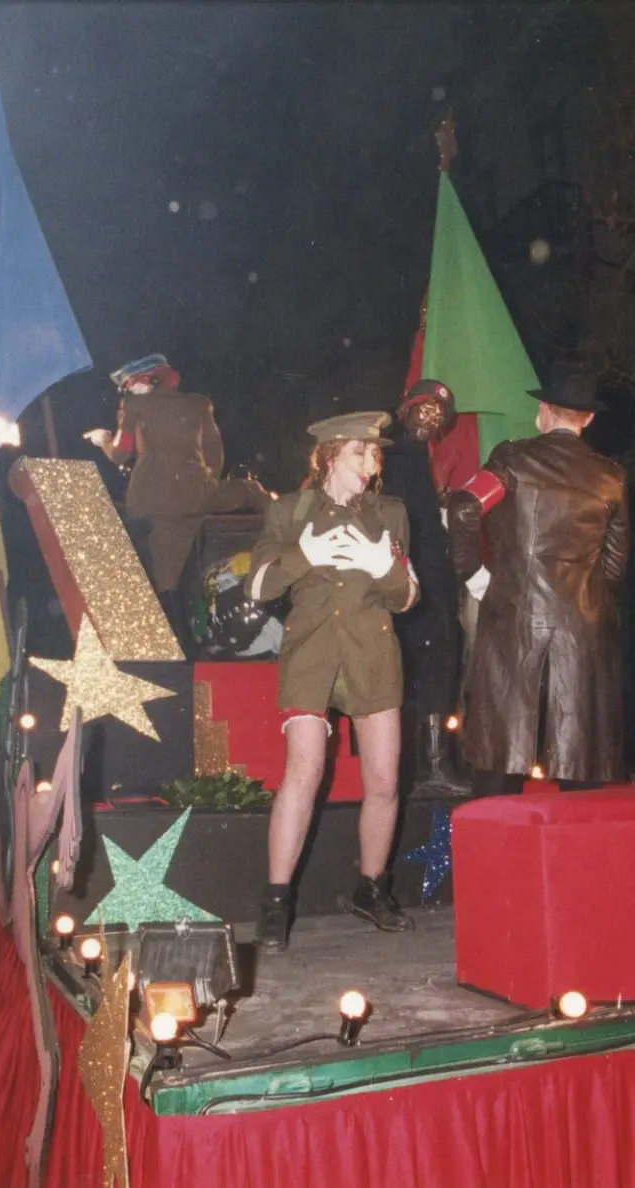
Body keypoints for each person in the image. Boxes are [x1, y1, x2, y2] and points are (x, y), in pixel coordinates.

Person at [248, 412, 420, 951]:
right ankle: (276, 901)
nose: (371, 465)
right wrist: (306, 555)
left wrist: (382, 565)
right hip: (312, 654)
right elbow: (257, 586)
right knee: (304, 771)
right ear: (329, 457)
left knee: (384, 782)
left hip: (373, 654)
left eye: (375, 455)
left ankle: (371, 889)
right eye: (359, 454)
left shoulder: (390, 513)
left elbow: (408, 596)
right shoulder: (289, 511)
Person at [447, 364, 628, 791]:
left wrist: (474, 575)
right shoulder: (612, 478)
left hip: (514, 617)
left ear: (543, 410)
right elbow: (615, 566)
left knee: (502, 749)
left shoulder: (513, 460)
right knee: (578, 758)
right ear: (589, 418)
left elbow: (464, 506)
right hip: (584, 627)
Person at [84, 353, 272, 599]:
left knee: (165, 581)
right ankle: (283, 532)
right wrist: (202, 484)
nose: (126, 390)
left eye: (129, 383)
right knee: (250, 490)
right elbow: (214, 454)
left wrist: (104, 440)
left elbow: (120, 453)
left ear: (149, 380)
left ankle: (171, 610)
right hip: (199, 496)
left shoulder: (134, 406)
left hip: (153, 504)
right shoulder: (198, 405)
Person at [386, 379, 466, 791]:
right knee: (411, 667)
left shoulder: (431, 459)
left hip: (434, 579)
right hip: (405, 577)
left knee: (440, 662)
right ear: (405, 412)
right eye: (423, 408)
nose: (429, 418)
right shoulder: (394, 456)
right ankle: (413, 767)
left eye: (437, 413)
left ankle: (433, 763)